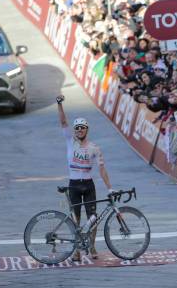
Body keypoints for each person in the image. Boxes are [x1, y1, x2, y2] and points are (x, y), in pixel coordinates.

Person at [56, 95, 112, 261]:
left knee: (93, 217)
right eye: (77, 128)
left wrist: (110, 188)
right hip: (73, 184)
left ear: (87, 130)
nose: (80, 130)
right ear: (74, 131)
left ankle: (92, 245)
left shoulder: (94, 148)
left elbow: (102, 169)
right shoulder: (69, 141)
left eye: (83, 128)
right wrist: (59, 105)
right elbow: (63, 122)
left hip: (88, 185)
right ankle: (76, 251)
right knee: (76, 219)